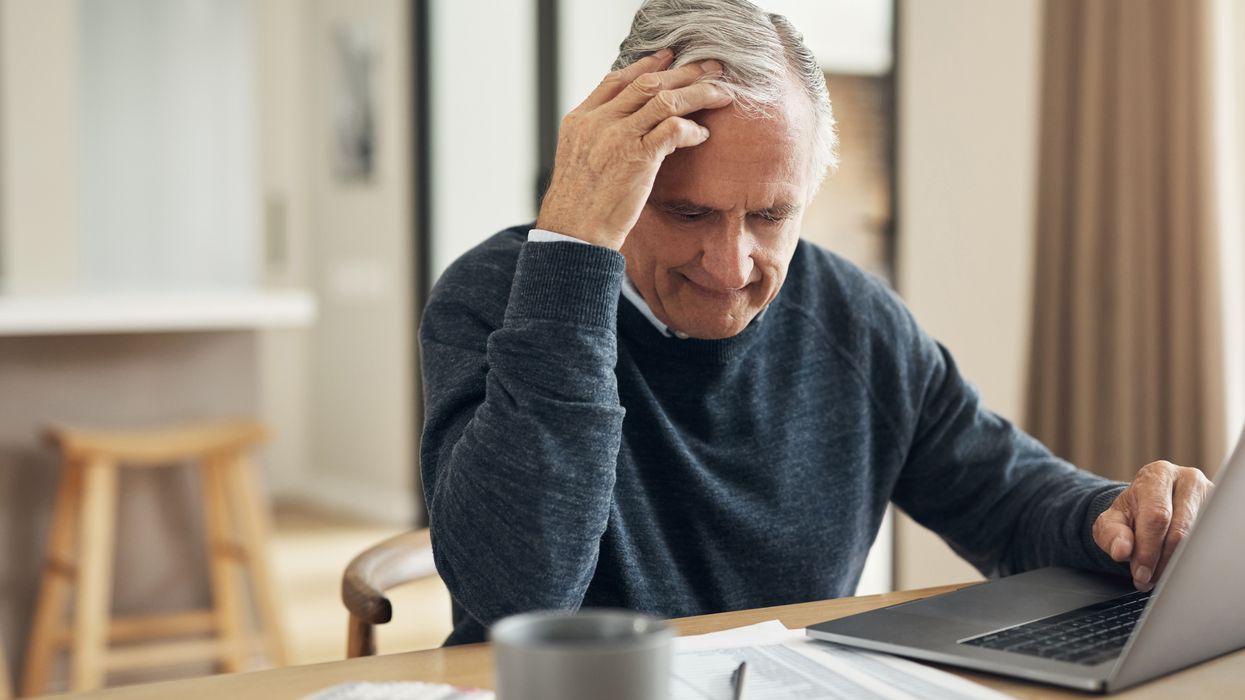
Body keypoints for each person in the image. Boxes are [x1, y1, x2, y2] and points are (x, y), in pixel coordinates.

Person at [419, 0, 1212, 646]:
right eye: (685, 210)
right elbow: (518, 596)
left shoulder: (850, 316)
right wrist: (572, 251)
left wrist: (1118, 519)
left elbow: (1006, 497)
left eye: (769, 215)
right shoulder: (500, 295)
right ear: (615, 175)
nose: (730, 268)